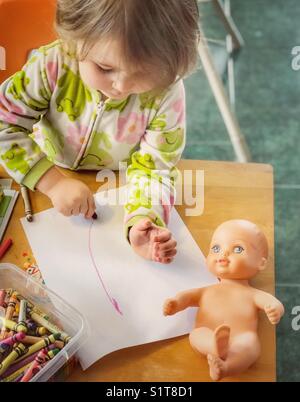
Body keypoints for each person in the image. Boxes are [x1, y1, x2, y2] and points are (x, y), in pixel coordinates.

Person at [0, 0, 200, 264]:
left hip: (119, 183)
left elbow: (156, 169)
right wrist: (52, 182)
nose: (121, 86)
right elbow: (5, 124)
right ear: (73, 40)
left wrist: (143, 218)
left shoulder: (166, 92)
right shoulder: (53, 64)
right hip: (41, 178)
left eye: (142, 73)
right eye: (104, 68)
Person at [163, 220, 284, 380]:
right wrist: (176, 303)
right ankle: (214, 346)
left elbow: (272, 302)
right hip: (208, 333)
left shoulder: (251, 294)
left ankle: (225, 368)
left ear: (260, 263)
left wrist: (275, 309)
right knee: (197, 334)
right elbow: (188, 297)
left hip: (241, 337)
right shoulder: (207, 290)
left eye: (238, 249)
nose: (223, 254)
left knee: (250, 344)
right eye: (216, 248)